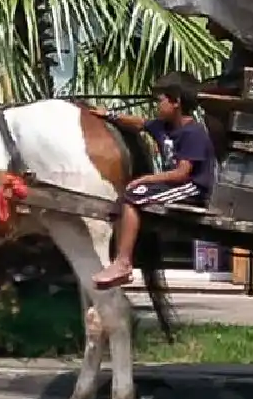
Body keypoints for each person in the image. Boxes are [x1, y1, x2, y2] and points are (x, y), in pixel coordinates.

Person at [90, 76, 217, 289]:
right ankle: (121, 259)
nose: (157, 106)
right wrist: (109, 115)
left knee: (133, 196)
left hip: (192, 188)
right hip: (176, 185)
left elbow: (182, 174)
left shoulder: (193, 133)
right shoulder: (164, 126)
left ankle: (123, 263)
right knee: (128, 196)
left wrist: (147, 178)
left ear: (175, 102)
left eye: (160, 101)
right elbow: (139, 123)